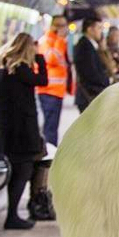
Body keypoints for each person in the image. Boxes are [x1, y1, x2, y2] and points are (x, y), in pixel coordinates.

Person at [0, 33, 48, 230]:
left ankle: (19, 210)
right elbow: (43, 80)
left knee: (20, 168)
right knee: (23, 170)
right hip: (22, 129)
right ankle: (13, 215)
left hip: (5, 127)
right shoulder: (21, 69)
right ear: (27, 48)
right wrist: (41, 60)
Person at [36, 15, 70, 146]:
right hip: (48, 90)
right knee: (50, 127)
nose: (64, 29)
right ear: (53, 26)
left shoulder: (57, 41)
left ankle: (51, 149)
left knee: (53, 125)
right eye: (61, 25)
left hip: (56, 91)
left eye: (64, 25)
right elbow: (51, 59)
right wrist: (59, 40)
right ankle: (49, 153)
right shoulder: (46, 41)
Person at [73, 17, 111, 113]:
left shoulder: (88, 45)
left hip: (90, 96)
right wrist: (107, 81)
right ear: (90, 29)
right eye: (99, 28)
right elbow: (91, 73)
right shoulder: (85, 47)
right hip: (88, 96)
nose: (101, 31)